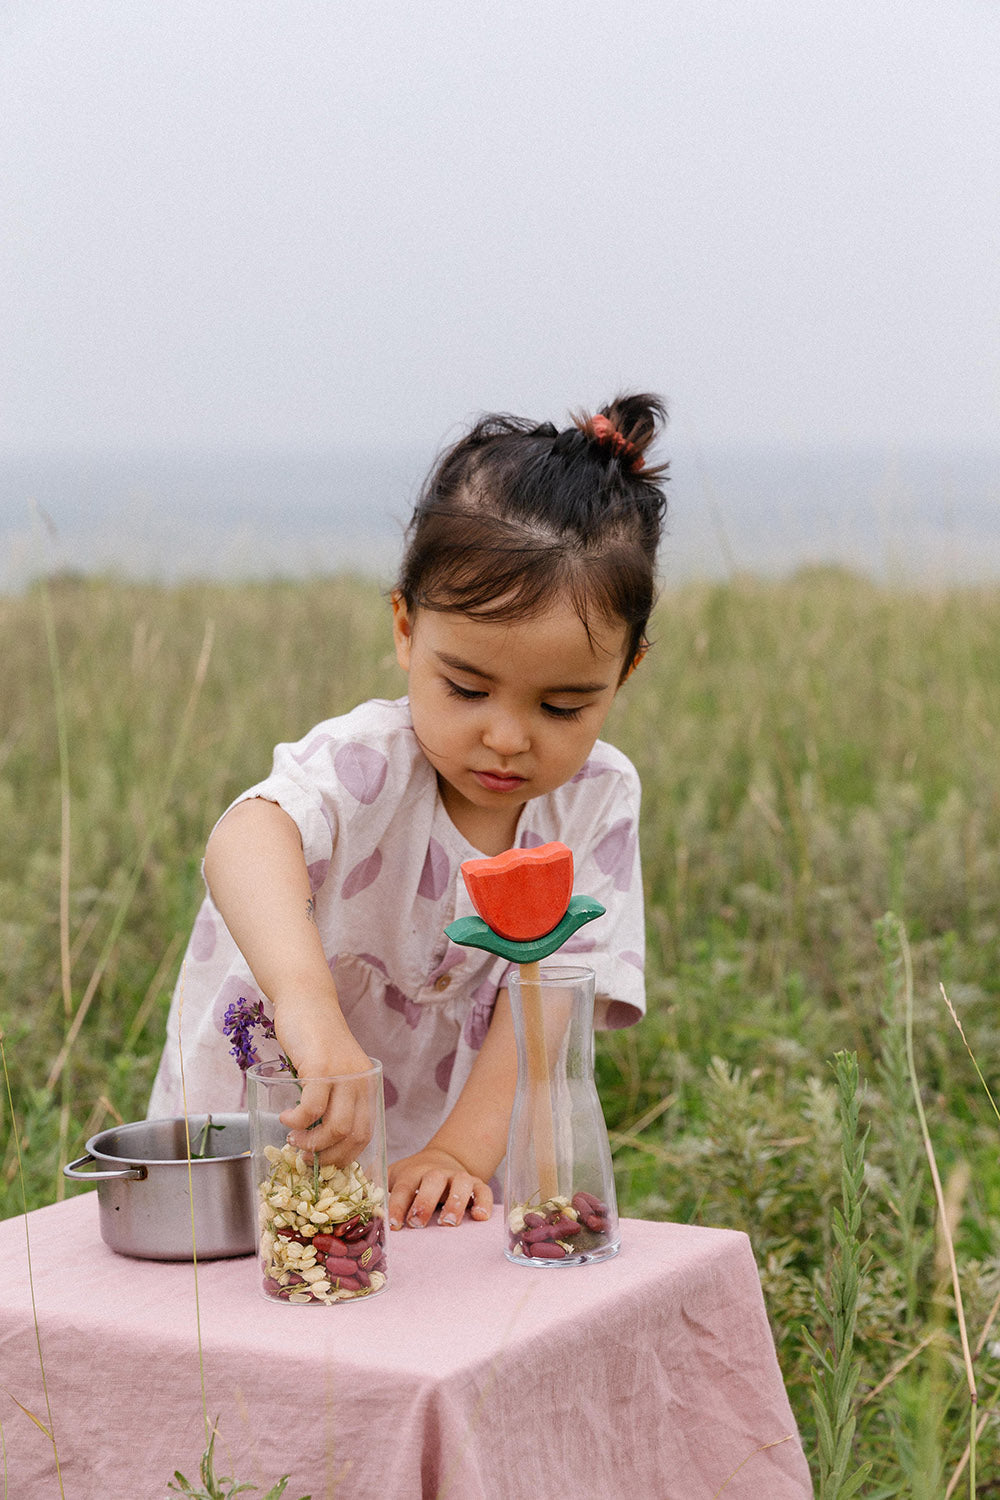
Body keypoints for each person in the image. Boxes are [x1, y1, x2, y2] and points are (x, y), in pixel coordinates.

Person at [148, 393, 669, 1232]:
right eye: (465, 688)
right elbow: (247, 837)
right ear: (405, 627)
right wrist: (306, 1003)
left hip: (433, 1174)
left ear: (626, 671)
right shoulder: (368, 764)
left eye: (564, 706)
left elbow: (548, 995)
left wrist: (463, 1155)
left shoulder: (597, 799)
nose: (506, 738)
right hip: (258, 1139)